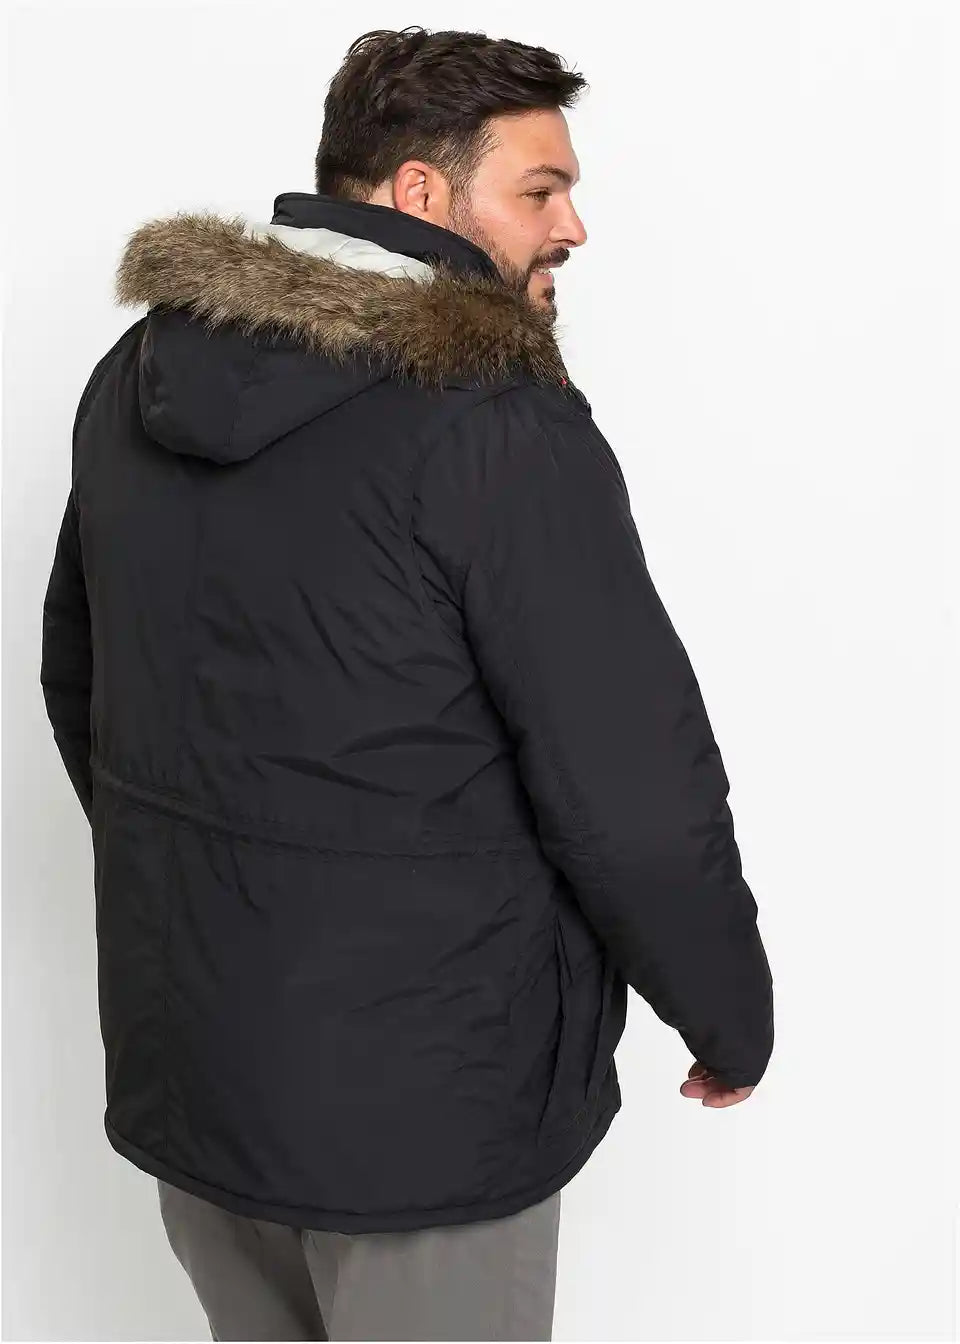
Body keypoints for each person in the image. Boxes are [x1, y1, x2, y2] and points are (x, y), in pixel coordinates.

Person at [39, 25, 775, 1342]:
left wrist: (218, 910)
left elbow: (81, 683)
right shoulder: (490, 419)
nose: (573, 227)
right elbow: (628, 786)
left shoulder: (137, 374)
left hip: (199, 1076)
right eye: (541, 190)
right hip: (426, 1120)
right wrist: (726, 1014)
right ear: (422, 193)